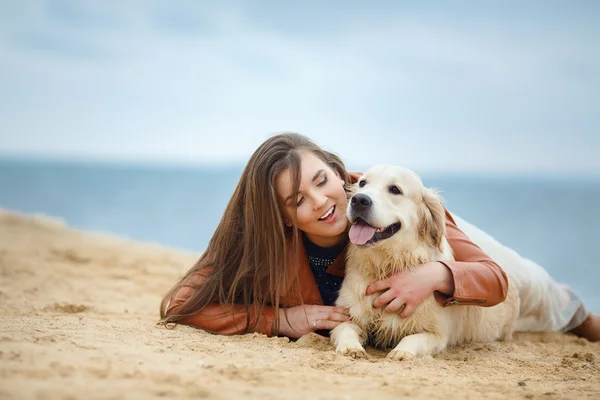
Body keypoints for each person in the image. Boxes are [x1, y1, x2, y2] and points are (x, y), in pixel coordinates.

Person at [159, 133, 599, 342]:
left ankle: (583, 320)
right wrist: (280, 320)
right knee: (514, 323)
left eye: (321, 180)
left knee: (534, 286)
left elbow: (492, 278)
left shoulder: (387, 199)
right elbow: (179, 303)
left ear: (338, 171)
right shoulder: (262, 243)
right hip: (382, 319)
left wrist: (436, 274)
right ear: (284, 218)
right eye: (297, 200)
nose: (320, 201)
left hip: (412, 231)